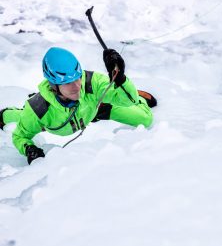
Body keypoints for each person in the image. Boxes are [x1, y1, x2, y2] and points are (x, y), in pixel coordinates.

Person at [0, 47, 157, 164]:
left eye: (77, 78)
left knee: (145, 119)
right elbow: (20, 136)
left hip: (94, 108)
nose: (76, 86)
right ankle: (5, 114)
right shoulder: (38, 110)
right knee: (24, 118)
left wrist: (120, 80)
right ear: (53, 85)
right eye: (67, 83)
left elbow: (128, 101)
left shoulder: (91, 83)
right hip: (53, 120)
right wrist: (29, 149)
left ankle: (136, 95)